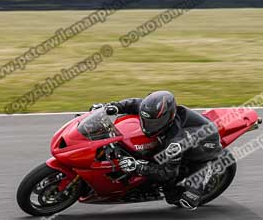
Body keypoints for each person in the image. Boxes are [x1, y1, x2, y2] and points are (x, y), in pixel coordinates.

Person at [90, 90, 223, 210]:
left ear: (168, 117)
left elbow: (167, 173)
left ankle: (205, 170)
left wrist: (138, 167)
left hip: (205, 143)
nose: (149, 126)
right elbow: (133, 103)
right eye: (147, 120)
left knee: (178, 197)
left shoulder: (175, 141)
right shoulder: (150, 109)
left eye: (154, 123)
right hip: (189, 127)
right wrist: (111, 107)